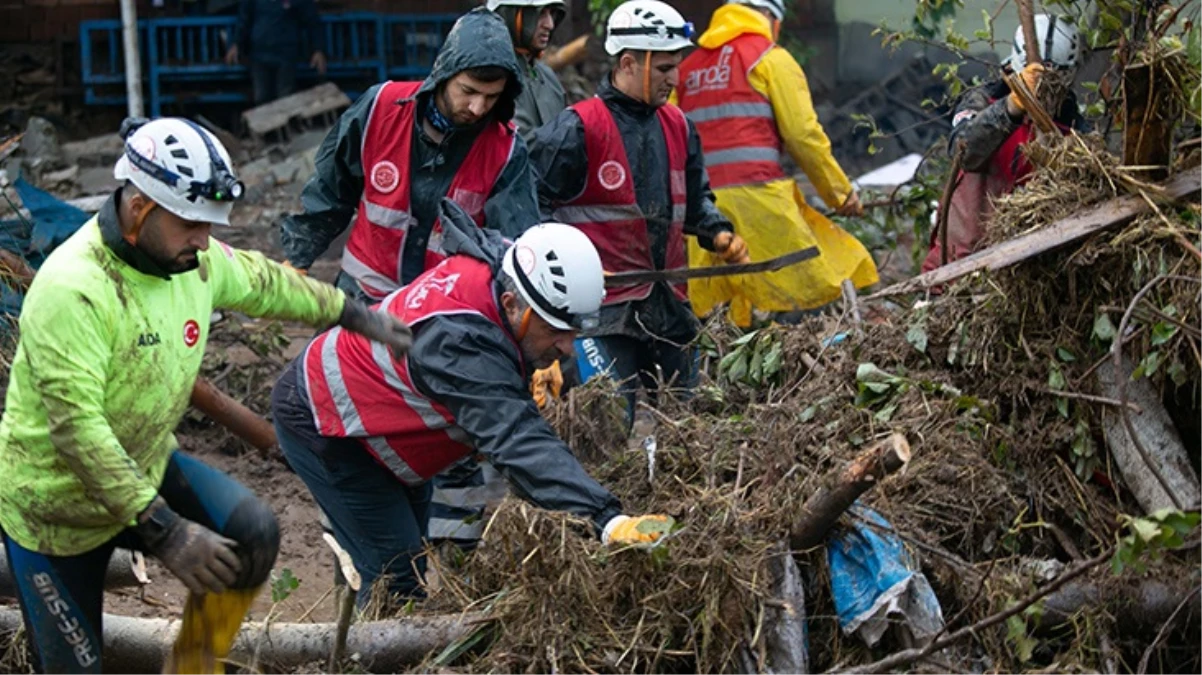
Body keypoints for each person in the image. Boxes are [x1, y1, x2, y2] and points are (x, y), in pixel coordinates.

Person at [0, 117, 412, 674]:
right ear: (141, 207)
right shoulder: (73, 289)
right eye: (192, 223)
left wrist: (353, 314)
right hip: (57, 510)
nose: (204, 239)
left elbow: (266, 283)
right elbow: (77, 432)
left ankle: (191, 667)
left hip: (141, 466)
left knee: (253, 535)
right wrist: (165, 531)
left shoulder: (193, 261)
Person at [271, 198, 675, 605]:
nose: (569, 349)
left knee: (398, 555)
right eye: (557, 331)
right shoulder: (460, 343)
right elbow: (516, 440)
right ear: (514, 307)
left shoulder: (506, 269)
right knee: (395, 578)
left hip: (373, 417)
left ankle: (359, 607)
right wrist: (605, 519)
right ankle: (361, 657)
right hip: (326, 421)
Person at [528, 0, 747, 416]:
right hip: (604, 312)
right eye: (664, 69)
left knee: (694, 422)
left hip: (668, 303)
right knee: (609, 425)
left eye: (675, 66)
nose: (674, 78)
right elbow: (526, 203)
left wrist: (718, 232)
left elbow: (696, 198)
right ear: (629, 62)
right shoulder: (578, 128)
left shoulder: (679, 126)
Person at [279, 7, 540, 304]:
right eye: (468, 91)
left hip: (441, 311)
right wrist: (298, 258)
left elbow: (514, 244)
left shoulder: (506, 149)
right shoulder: (380, 108)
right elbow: (330, 190)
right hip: (362, 294)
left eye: (492, 97)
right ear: (444, 74)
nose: (478, 107)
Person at [674, 0, 878, 328]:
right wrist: (840, 195)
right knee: (814, 287)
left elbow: (671, 143)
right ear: (769, 17)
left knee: (723, 318)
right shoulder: (770, 58)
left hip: (703, 214)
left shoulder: (685, 70)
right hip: (762, 200)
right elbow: (802, 136)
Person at [921, 14, 1083, 272]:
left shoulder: (1074, 130)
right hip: (957, 268)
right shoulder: (984, 102)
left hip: (1026, 275)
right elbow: (964, 152)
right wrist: (1012, 107)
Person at [487, 0, 569, 140]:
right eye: (540, 13)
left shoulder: (548, 77)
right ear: (511, 16)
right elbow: (518, 144)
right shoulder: (490, 76)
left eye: (551, 13)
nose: (550, 24)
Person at [225, 0, 328, 105]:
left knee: (285, 97)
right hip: (259, 55)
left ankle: (284, 121)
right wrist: (236, 44)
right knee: (261, 97)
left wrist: (318, 50)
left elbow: (313, 22)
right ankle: (263, 121)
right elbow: (244, 20)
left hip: (286, 55)